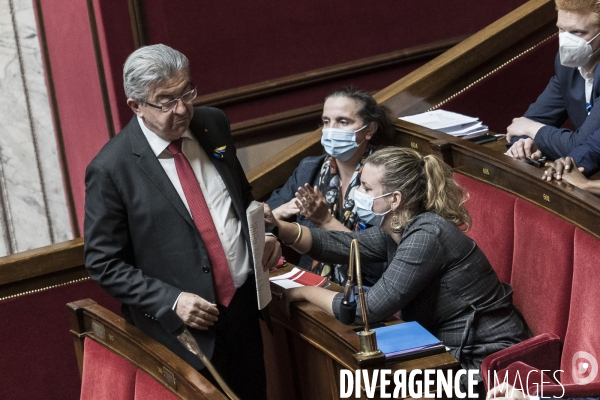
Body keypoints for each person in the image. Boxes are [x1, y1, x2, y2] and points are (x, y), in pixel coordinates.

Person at [84, 44, 280, 399]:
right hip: (181, 331)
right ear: (136, 106)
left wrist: (263, 234)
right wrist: (171, 301)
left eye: (187, 92)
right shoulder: (111, 169)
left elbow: (243, 199)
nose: (183, 108)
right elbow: (104, 263)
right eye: (166, 100)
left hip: (242, 309)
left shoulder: (212, 124)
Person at [266, 147, 531, 397]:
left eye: (366, 188)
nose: (357, 192)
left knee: (369, 385)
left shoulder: (427, 234)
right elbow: (345, 246)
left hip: (486, 364)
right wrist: (279, 228)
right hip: (444, 351)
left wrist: (305, 292)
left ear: (394, 199)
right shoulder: (399, 227)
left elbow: (365, 310)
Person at [266, 87, 394, 285]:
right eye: (327, 122)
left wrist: (324, 220)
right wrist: (282, 210)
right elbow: (264, 216)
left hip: (367, 286)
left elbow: (380, 262)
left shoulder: (386, 178)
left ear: (369, 130)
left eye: (343, 122)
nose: (332, 129)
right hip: (311, 279)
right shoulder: (309, 169)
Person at [506, 0, 600, 177]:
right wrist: (523, 144)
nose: (566, 41)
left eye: (577, 32)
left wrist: (531, 130)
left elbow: (582, 143)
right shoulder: (567, 64)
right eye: (562, 30)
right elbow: (529, 121)